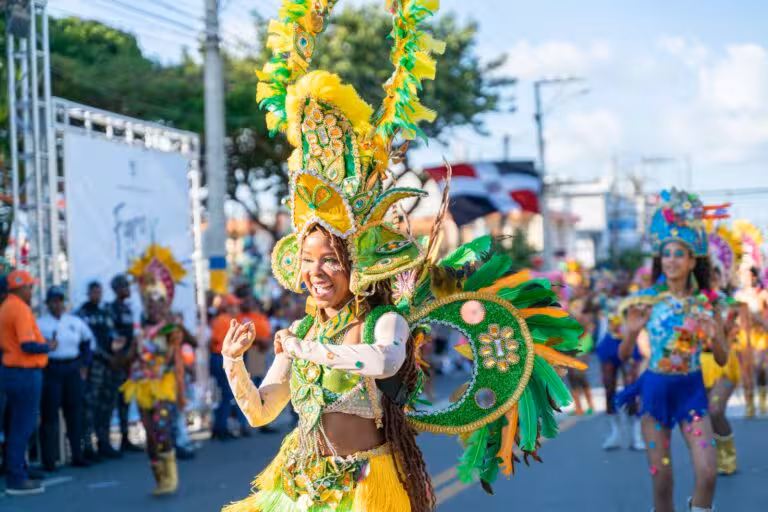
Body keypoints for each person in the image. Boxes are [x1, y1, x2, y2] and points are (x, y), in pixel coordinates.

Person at [219, 5, 587, 509]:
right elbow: (261, 412)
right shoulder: (301, 333)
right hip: (301, 493)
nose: (318, 272)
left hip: (370, 490)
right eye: (309, 261)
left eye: (331, 259)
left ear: (356, 263)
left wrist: (304, 351)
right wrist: (232, 362)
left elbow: (383, 360)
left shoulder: (382, 321)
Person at [618, 189, 729, 512]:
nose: (671, 260)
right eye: (666, 254)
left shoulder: (707, 304)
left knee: (708, 473)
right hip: (655, 393)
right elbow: (625, 355)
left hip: (691, 392)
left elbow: (721, 358)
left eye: (679, 254)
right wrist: (632, 332)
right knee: (662, 480)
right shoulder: (646, 300)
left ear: (693, 260)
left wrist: (715, 336)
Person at [120, 245, 187, 495]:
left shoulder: (170, 327)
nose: (154, 306)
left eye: (159, 302)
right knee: (148, 434)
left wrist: (176, 329)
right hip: (141, 383)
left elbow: (186, 342)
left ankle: (171, 476)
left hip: (162, 382)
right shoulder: (139, 330)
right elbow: (129, 356)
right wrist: (123, 354)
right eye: (150, 302)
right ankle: (158, 475)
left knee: (161, 430)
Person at [0, 270, 54, 495]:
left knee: (15, 426)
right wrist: (49, 346)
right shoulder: (19, 308)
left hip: (10, 371)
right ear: (20, 289)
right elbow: (27, 345)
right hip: (24, 372)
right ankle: (16, 478)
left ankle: (18, 468)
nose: (32, 291)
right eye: (30, 287)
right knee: (23, 426)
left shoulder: (4, 307)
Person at [37, 285, 96, 471]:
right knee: (50, 415)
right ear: (48, 303)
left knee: (74, 413)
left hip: (72, 367)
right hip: (51, 369)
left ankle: (77, 455)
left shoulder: (74, 321)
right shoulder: (39, 323)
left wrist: (85, 364)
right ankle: (50, 459)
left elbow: (88, 342)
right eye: (54, 301)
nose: (57, 304)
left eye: (60, 300)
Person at [77, 281, 125, 460]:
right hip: (94, 364)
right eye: (94, 292)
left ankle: (104, 442)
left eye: (99, 292)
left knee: (108, 403)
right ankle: (88, 446)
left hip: (110, 365)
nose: (97, 295)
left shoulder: (106, 313)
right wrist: (106, 356)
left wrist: (117, 352)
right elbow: (87, 341)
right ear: (89, 294)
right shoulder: (83, 313)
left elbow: (113, 335)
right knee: (90, 404)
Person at [108, 273, 143, 453]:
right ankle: (105, 442)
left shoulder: (128, 309)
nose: (127, 290)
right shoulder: (111, 309)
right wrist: (121, 355)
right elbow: (114, 337)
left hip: (129, 360)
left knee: (126, 400)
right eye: (124, 287)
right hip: (118, 360)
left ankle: (125, 437)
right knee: (113, 399)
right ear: (116, 290)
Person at [209, 294, 249, 440]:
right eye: (235, 305)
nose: (238, 308)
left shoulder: (222, 320)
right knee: (226, 394)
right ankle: (221, 428)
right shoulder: (227, 321)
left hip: (218, 357)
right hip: (222, 358)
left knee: (222, 395)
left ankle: (219, 427)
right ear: (228, 307)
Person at [237, 295, 276, 434]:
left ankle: (263, 421)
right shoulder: (241, 317)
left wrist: (267, 341)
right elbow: (241, 336)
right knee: (248, 388)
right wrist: (259, 341)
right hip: (251, 353)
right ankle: (244, 424)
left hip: (262, 354)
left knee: (263, 389)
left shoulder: (260, 317)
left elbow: (268, 332)